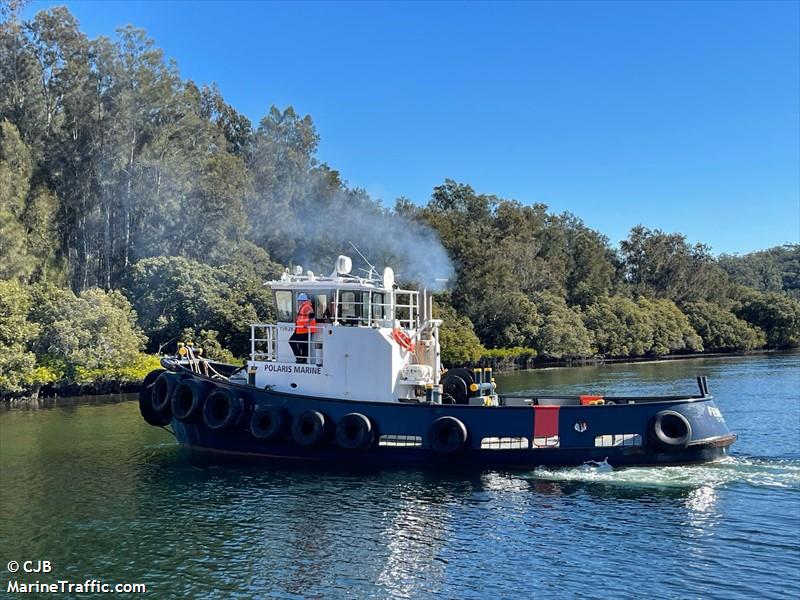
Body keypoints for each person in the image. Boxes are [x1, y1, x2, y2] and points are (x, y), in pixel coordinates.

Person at [289, 292, 317, 364]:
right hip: (301, 329)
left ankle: (300, 358)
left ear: (303, 300)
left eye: (299, 300)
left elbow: (312, 315)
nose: (298, 302)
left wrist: (307, 324)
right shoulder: (304, 306)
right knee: (302, 344)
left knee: (294, 342)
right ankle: (301, 359)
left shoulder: (306, 306)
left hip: (304, 329)